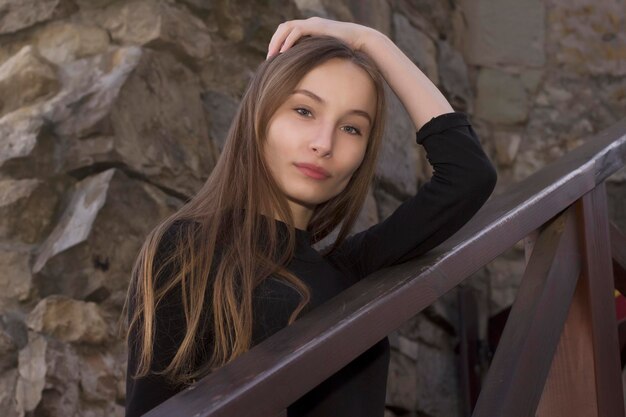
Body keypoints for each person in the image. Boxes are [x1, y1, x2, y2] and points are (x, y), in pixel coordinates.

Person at [122, 17, 497, 417]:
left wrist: (371, 41)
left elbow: (468, 175)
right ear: (259, 118)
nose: (324, 143)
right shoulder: (188, 247)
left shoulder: (352, 272)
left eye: (352, 128)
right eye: (304, 110)